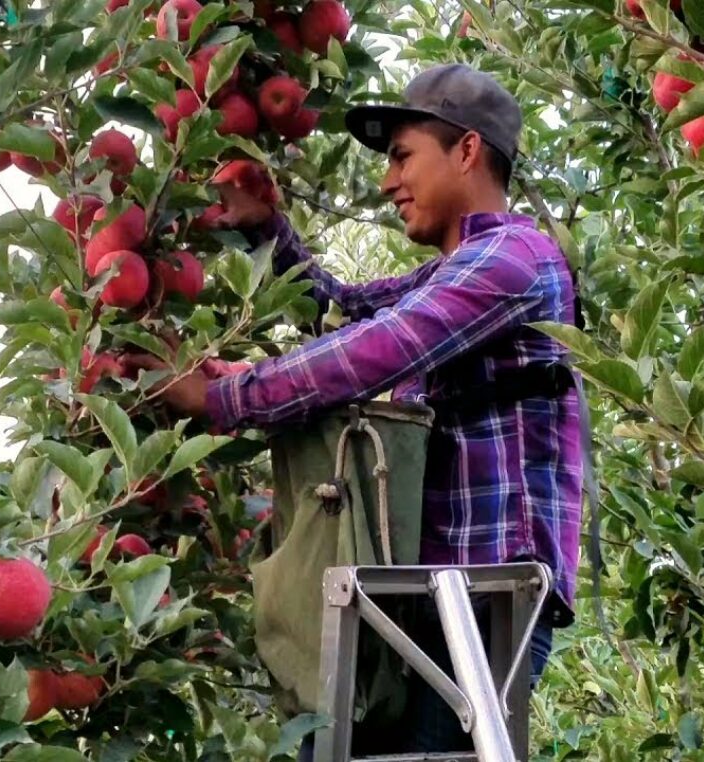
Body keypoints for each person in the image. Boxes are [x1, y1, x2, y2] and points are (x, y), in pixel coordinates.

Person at [141, 63, 584, 755]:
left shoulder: (515, 258)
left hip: (486, 600)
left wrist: (227, 396)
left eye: (403, 156)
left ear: (467, 149)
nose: (387, 181)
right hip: (430, 591)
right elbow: (347, 311)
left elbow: (383, 345)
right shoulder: (454, 269)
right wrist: (268, 231)